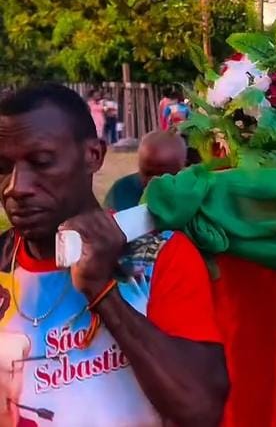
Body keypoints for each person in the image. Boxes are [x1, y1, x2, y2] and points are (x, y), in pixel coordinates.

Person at [0, 84, 228, 426]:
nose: (16, 187)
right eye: (2, 166)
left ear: (93, 156)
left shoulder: (159, 256)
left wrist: (102, 291)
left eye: (42, 162)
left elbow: (200, 409)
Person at [104, 130, 187, 212]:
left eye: (163, 176)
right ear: (140, 166)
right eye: (148, 173)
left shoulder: (190, 197)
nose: (153, 181)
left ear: (182, 168)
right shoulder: (120, 192)